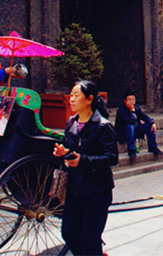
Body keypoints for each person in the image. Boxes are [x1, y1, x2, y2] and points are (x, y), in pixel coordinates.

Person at [52, 80, 118, 256]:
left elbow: (112, 157)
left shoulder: (103, 126)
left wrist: (84, 160)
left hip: (97, 191)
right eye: (71, 95)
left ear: (89, 99)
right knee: (69, 233)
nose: (71, 99)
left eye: (76, 95)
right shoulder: (71, 122)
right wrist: (63, 153)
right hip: (74, 189)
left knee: (90, 239)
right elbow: (69, 149)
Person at [114, 91, 161, 161]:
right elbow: (129, 121)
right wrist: (132, 111)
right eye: (129, 100)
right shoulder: (121, 110)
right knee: (130, 126)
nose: (131, 102)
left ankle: (152, 146)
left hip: (135, 131)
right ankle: (131, 150)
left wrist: (152, 122)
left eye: (133, 99)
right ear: (125, 101)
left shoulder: (137, 107)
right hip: (124, 133)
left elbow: (144, 116)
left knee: (148, 126)